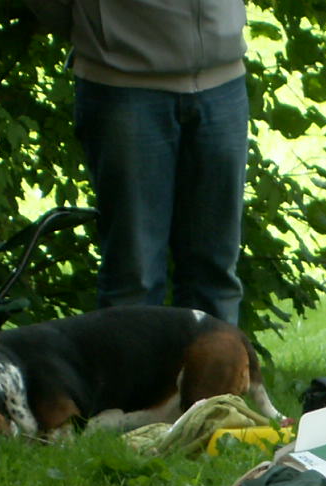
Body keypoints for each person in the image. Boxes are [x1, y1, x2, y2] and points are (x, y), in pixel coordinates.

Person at [33, 0, 252, 324]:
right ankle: (129, 361)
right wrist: (98, 31)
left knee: (215, 278)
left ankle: (213, 360)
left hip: (223, 82)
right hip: (121, 84)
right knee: (134, 278)